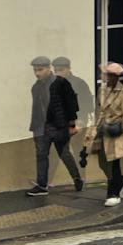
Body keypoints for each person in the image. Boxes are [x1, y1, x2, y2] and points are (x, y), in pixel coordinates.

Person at [83, 61, 123, 208]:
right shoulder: (102, 90)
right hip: (103, 129)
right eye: (107, 75)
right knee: (103, 162)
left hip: (117, 131)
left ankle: (113, 193)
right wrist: (92, 130)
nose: (107, 78)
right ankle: (121, 179)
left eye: (111, 76)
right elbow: (99, 110)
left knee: (113, 162)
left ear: (117, 77)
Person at [27, 59, 83, 196]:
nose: (37, 73)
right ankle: (42, 185)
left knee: (64, 153)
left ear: (48, 68)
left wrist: (71, 125)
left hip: (59, 126)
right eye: (35, 70)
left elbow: (71, 105)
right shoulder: (36, 87)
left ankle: (77, 178)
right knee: (41, 155)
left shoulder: (61, 83)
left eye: (40, 70)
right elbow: (36, 108)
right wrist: (35, 126)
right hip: (41, 127)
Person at [53, 56, 92, 132]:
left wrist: (80, 119)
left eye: (61, 70)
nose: (58, 73)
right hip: (59, 122)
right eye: (56, 71)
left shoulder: (79, 83)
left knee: (75, 142)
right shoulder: (54, 84)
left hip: (76, 121)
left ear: (68, 69)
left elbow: (86, 102)